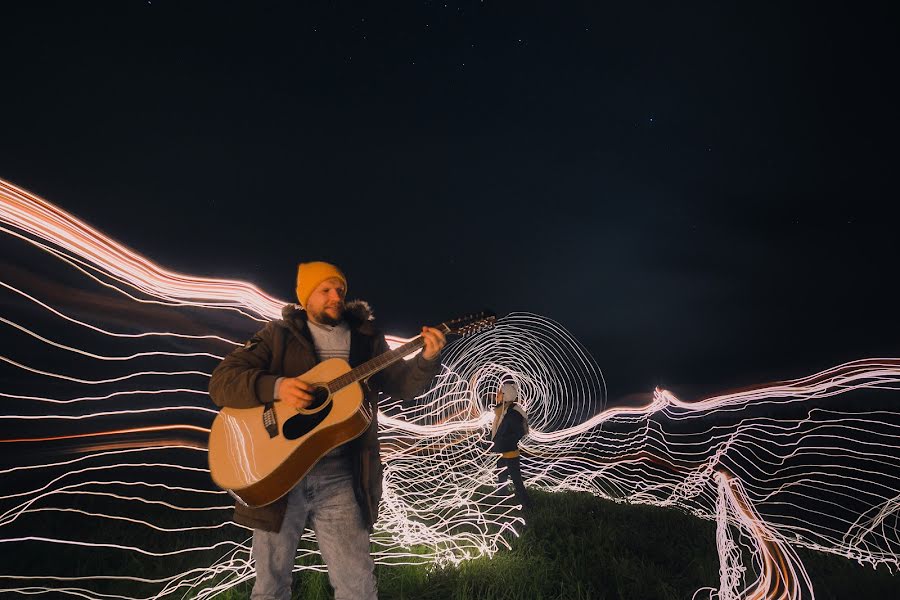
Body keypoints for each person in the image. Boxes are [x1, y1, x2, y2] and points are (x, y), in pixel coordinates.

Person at [208, 261, 446, 600]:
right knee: (270, 586)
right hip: (279, 476)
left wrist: (426, 359)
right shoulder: (278, 336)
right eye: (325, 290)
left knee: (357, 586)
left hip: (341, 476)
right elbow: (222, 382)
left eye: (340, 290)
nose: (336, 296)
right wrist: (277, 388)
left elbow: (403, 386)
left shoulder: (367, 340)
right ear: (306, 297)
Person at [490, 382, 532, 511]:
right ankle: (501, 503)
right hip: (502, 451)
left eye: (499, 393)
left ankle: (528, 506)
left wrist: (505, 441)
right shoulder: (502, 410)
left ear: (505, 395)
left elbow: (519, 432)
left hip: (510, 452)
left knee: (516, 481)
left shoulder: (513, 413)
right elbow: (498, 430)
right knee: (501, 477)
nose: (496, 395)